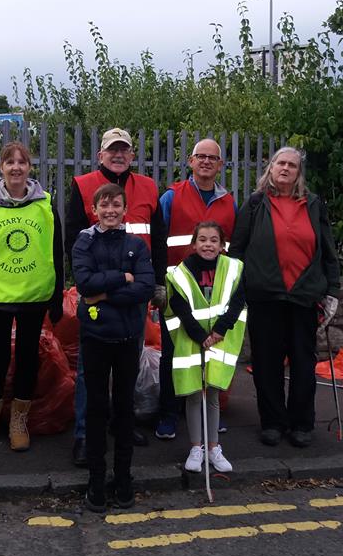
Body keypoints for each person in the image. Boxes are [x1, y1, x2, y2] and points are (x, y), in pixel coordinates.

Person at [66, 127, 167, 465]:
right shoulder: (82, 185)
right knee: (88, 371)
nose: (119, 155)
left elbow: (160, 242)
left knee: (128, 365)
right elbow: (73, 245)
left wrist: (158, 285)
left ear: (132, 155)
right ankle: (84, 434)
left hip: (134, 297)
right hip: (96, 298)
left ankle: (121, 425)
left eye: (124, 149)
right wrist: (94, 286)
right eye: (113, 150)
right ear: (101, 155)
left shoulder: (150, 188)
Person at [228, 147, 340, 448]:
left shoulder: (314, 204)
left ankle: (302, 423)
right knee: (267, 363)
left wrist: (333, 292)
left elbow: (329, 252)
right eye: (281, 163)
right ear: (271, 167)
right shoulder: (254, 204)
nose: (286, 168)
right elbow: (236, 251)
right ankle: (273, 423)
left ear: (298, 172)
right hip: (265, 296)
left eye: (292, 165)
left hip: (304, 296)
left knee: (304, 363)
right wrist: (237, 290)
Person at [0, 142, 64, 452]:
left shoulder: (45, 205)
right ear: (1, 167)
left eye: (22, 162)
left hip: (34, 296)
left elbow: (56, 253)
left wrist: (57, 295)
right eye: (10, 162)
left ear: (29, 168)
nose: (16, 167)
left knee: (28, 359)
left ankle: (19, 420)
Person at [72, 183, 155, 511]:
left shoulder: (136, 244)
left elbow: (145, 287)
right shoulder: (84, 241)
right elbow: (84, 283)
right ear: (95, 209)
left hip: (126, 338)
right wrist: (124, 277)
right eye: (104, 205)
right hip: (95, 338)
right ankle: (96, 479)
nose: (110, 210)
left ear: (124, 209)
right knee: (95, 409)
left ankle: (123, 477)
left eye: (116, 205)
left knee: (123, 409)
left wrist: (105, 293)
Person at [155, 138, 236, 441]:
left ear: (220, 165)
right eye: (200, 156)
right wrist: (159, 285)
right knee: (173, 355)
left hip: (215, 295)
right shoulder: (171, 197)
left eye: (211, 158)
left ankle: (209, 416)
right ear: (190, 161)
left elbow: (232, 253)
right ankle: (168, 415)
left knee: (210, 356)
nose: (205, 162)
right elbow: (159, 245)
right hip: (178, 293)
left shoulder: (230, 202)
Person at [164, 221, 245, 474]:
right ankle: (196, 448)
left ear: (222, 245)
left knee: (212, 395)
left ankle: (213, 447)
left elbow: (238, 301)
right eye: (202, 240)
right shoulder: (180, 272)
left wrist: (220, 330)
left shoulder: (233, 268)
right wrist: (200, 336)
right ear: (194, 243)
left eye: (213, 240)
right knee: (194, 393)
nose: (208, 245)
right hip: (193, 340)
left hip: (219, 339)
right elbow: (179, 307)